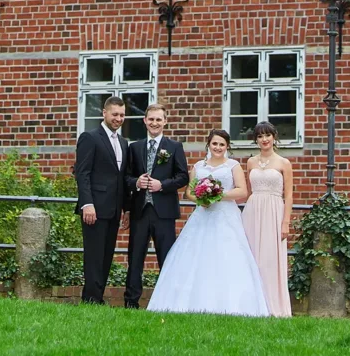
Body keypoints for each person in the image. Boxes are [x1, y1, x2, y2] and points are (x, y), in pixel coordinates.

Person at [144, 129, 270, 317]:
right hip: (202, 215)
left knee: (227, 257)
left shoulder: (233, 166)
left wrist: (218, 195)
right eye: (214, 144)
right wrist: (201, 198)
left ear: (227, 146)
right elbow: (189, 192)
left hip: (226, 216)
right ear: (209, 145)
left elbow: (242, 191)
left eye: (222, 144)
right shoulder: (199, 166)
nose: (218, 147)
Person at [123, 102, 189, 308]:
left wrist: (162, 185)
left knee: (167, 258)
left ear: (165, 122)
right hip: (140, 211)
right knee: (135, 258)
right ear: (144, 121)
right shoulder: (134, 147)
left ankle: (167, 302)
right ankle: (131, 302)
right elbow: (125, 177)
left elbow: (183, 176)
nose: (154, 123)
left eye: (158, 119)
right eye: (151, 119)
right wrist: (136, 182)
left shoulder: (174, 147)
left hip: (164, 212)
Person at [73, 95, 128, 304]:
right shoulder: (90, 137)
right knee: (94, 256)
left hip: (114, 209)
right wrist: (87, 204)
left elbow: (121, 178)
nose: (118, 119)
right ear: (104, 113)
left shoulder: (123, 142)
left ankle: (98, 297)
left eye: (122, 115)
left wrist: (126, 208)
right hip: (94, 209)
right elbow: (82, 173)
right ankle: (90, 299)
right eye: (115, 114)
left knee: (106, 256)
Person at [241, 121, 294, 317]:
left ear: (274, 137)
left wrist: (285, 222)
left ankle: (274, 305)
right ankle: (253, 305)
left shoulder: (284, 163)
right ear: (256, 140)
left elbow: (289, 195)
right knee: (252, 256)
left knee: (270, 260)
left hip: (274, 212)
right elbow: (247, 191)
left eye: (267, 135)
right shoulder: (251, 162)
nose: (264, 139)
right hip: (253, 211)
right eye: (260, 136)